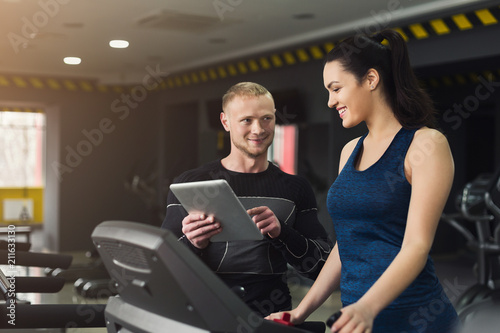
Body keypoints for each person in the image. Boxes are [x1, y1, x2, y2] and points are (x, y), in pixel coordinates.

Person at [267, 29, 460, 332]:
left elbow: (416, 246)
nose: (330, 102)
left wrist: (368, 307)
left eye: (336, 88)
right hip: (356, 319)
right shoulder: (349, 151)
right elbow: (346, 244)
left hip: (415, 318)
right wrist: (301, 312)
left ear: (371, 79)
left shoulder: (426, 145)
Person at [161, 82, 333, 317]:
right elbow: (162, 267)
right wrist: (192, 243)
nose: (258, 129)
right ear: (225, 122)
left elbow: (320, 266)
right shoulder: (189, 184)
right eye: (246, 120)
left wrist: (282, 233)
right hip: (204, 314)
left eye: (266, 119)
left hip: (270, 316)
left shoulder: (296, 188)